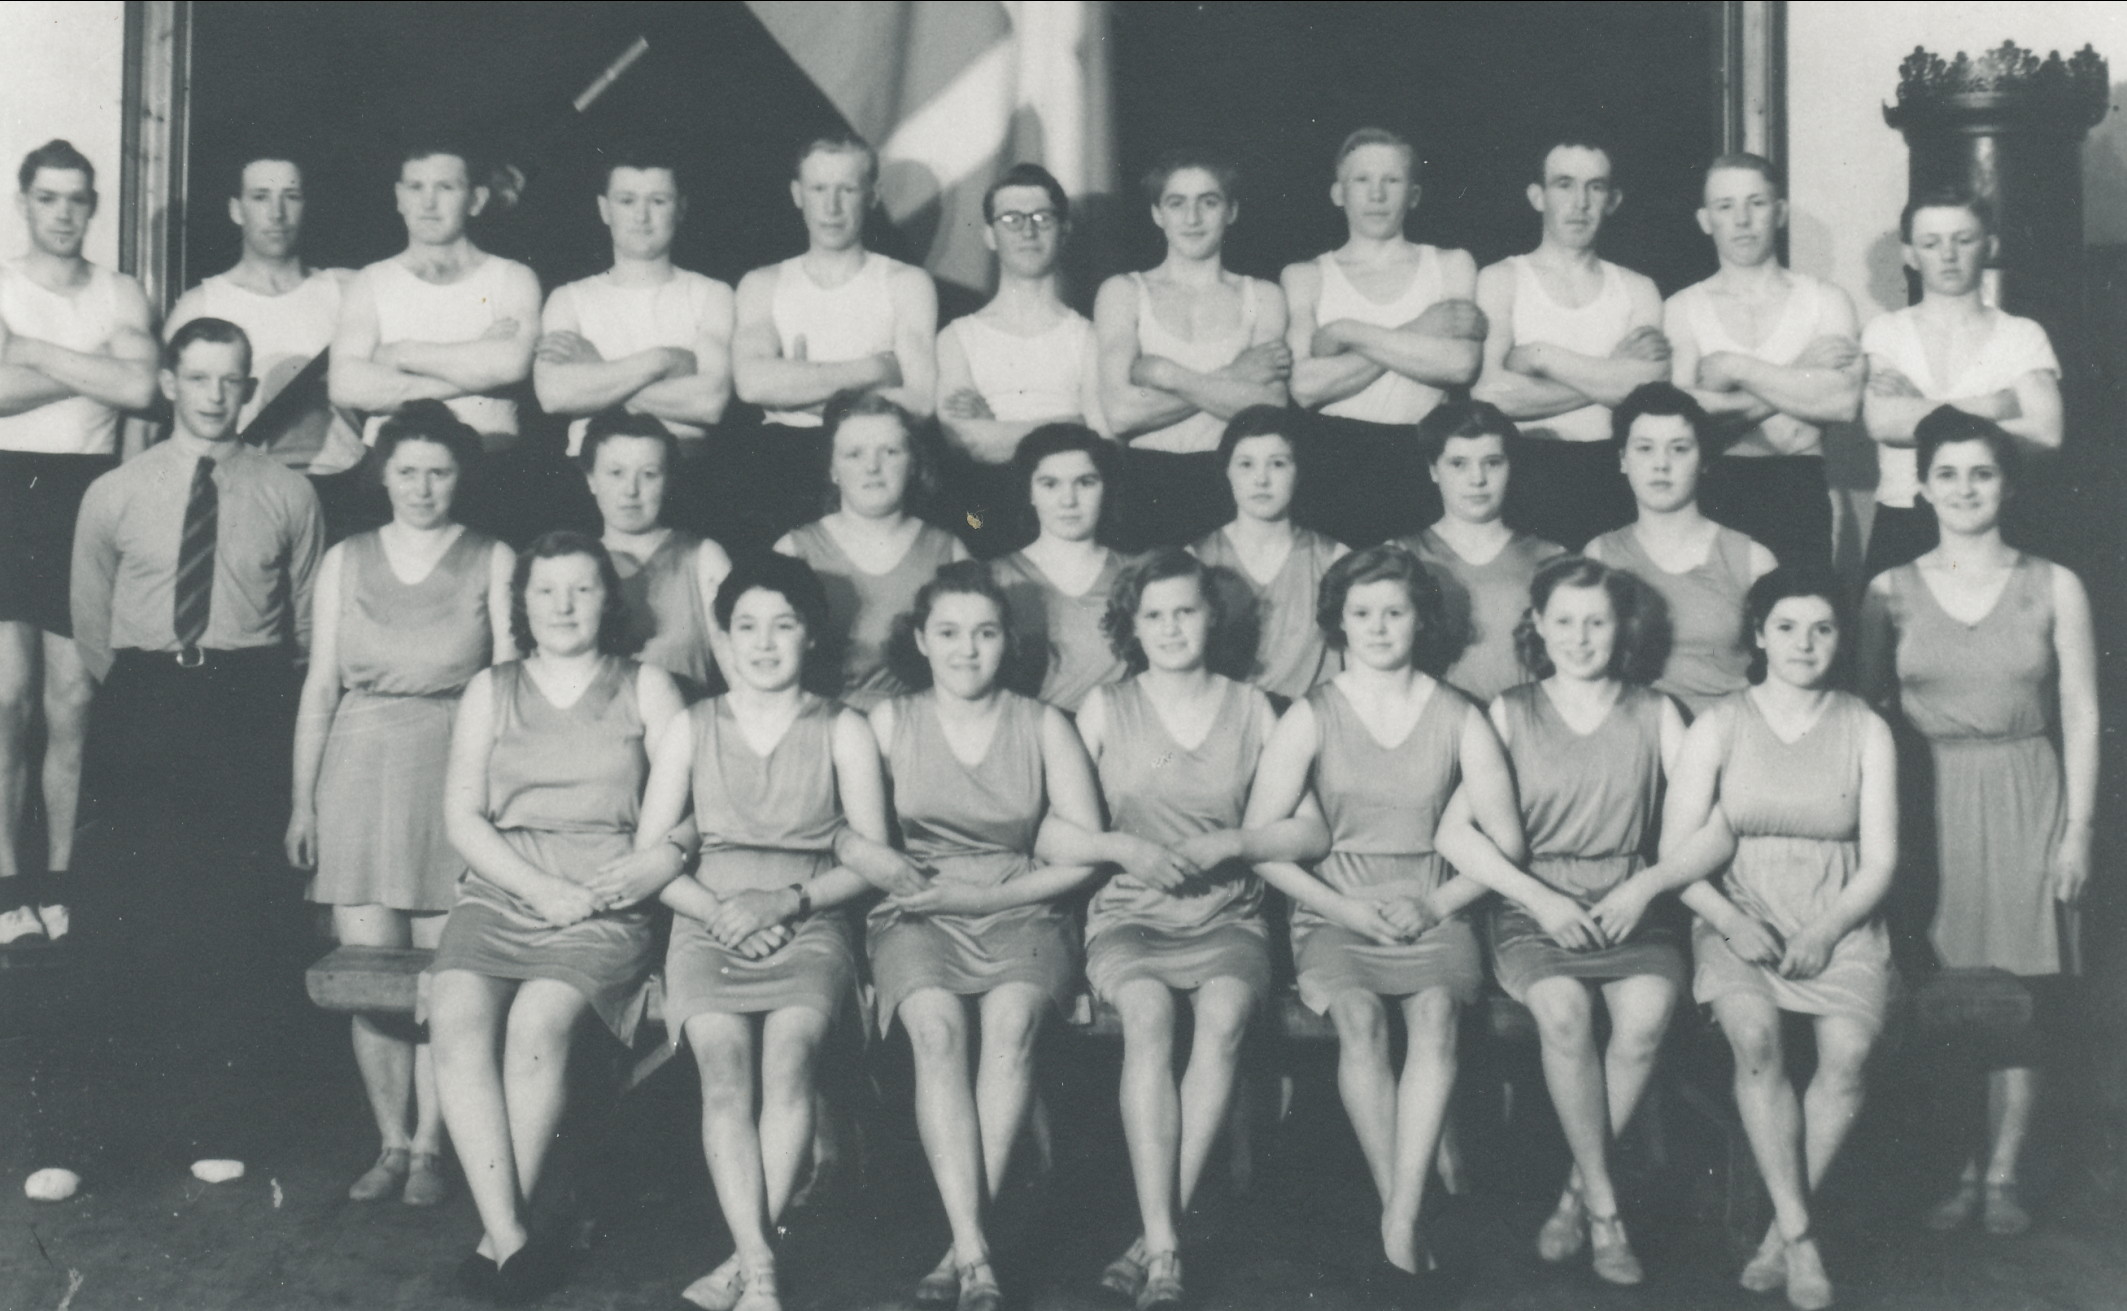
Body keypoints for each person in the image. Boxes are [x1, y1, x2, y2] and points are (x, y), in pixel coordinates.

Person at [70, 317, 324, 1174]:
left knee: (231, 916)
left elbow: (304, 628)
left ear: (249, 389)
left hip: (245, 702)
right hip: (143, 700)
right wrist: (152, 689)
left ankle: (218, 1125)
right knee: (124, 911)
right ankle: (105, 1134)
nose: (216, 395)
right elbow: (92, 623)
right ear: (170, 383)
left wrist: (239, 692)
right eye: (200, 377)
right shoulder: (115, 491)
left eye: (232, 379)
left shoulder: (289, 493)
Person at [1037, 549, 1318, 1311]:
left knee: (1223, 1017)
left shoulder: (1255, 708)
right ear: (1131, 626)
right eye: (1153, 614)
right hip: (1131, 911)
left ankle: (1152, 1242)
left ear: (1210, 617)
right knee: (1148, 1017)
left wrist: (1235, 841)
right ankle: (1163, 1239)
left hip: (1228, 912)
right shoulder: (1105, 707)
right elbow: (1053, 833)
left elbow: (1308, 830)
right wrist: (1119, 847)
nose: (1170, 627)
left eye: (1185, 611)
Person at [1240, 543, 1525, 1285]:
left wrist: (1436, 903)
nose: (1377, 626)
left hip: (1435, 910)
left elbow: (1505, 845)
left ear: (1420, 619)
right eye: (1361, 612)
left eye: (1393, 612)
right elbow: (1261, 846)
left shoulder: (1458, 714)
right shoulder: (1311, 715)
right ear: (1337, 621)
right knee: (1361, 1020)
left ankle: (1399, 1215)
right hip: (1338, 914)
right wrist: (1345, 909)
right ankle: (1404, 1207)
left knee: (1436, 1016)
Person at [427, 531, 689, 1303]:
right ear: (523, 601)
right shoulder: (491, 688)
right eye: (546, 589)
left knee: (537, 1024)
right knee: (455, 1019)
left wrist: (659, 860)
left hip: (606, 897)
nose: (564, 605)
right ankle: (510, 1235)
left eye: (581, 588)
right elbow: (462, 817)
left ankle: (494, 1241)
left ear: (608, 599)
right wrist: (538, 890)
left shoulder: (648, 686)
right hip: (504, 888)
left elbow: (700, 803)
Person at [1858, 410, 2097, 1239]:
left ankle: (2001, 1176)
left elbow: (2082, 710)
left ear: (2007, 484)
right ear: (1921, 486)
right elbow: (1859, 716)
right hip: (1927, 804)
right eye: (1947, 474)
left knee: (2022, 996)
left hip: (2029, 791)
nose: (1964, 489)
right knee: (1948, 993)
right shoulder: (1886, 589)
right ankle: (1959, 1168)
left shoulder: (2054, 583)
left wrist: (2077, 828)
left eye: (1981, 473)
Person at [634, 553, 885, 1311]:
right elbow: (650, 861)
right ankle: (759, 1267)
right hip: (707, 920)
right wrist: (720, 913)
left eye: (783, 624)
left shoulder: (844, 727)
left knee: (790, 1058)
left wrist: (784, 902)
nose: (764, 642)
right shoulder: (692, 725)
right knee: (723, 1071)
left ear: (811, 634)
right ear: (724, 638)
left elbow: (870, 863)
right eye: (747, 626)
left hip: (807, 920)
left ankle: (742, 1269)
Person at [286, 402, 513, 1207]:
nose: (422, 487)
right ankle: (388, 1140)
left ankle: (430, 1147)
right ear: (382, 473)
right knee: (368, 976)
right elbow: (320, 686)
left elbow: (510, 689)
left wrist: (500, 804)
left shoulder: (493, 557)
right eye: (408, 470)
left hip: (454, 770)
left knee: (444, 978)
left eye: (439, 471)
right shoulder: (345, 559)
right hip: (358, 769)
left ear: (461, 477)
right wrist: (302, 803)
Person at [866, 563, 1106, 1311]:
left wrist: (987, 895)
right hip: (919, 908)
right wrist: (901, 876)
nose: (966, 649)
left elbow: (1081, 854)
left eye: (985, 632)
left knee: (1011, 1027)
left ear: (1008, 641)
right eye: (948, 632)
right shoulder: (886, 722)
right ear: (920, 640)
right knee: (936, 1032)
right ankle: (975, 1248)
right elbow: (851, 836)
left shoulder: (1043, 724)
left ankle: (961, 1250)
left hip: (1021, 903)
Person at [1667, 568, 1900, 1311]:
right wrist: (1731, 921)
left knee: (1848, 1056)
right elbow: (1675, 859)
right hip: (1741, 910)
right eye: (1788, 627)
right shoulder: (1718, 724)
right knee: (1756, 1039)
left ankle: (1774, 1235)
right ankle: (1800, 1237)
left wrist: (1827, 929)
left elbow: (1881, 860)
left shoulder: (1866, 726)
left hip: (1838, 915)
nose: (1805, 643)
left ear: (1841, 638)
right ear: (1759, 635)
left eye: (1822, 628)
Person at [1486, 557, 1696, 1284]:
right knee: (1565, 1013)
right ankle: (1607, 1211)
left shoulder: (1656, 711)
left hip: (1627, 901)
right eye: (1565, 621)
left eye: (1596, 622)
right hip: (1536, 906)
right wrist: (1541, 900)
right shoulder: (1508, 711)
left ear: (1622, 628)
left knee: (1645, 1018)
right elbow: (1460, 833)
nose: (1580, 637)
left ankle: (1576, 1193)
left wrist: (1647, 886)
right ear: (1538, 626)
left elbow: (1712, 827)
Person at [0, 140, 158, 945]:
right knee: (5, 699)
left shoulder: (120, 291)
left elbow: (140, 385)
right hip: (5, 489)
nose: (63, 214)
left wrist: (27, 350)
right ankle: (6, 888)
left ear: (93, 206)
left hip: (85, 495)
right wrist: (93, 367)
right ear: (23, 202)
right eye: (48, 198)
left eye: (77, 199)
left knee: (72, 701)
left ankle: (59, 882)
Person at [731, 134, 937, 551]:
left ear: (872, 195)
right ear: (797, 194)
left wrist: (802, 388)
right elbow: (751, 384)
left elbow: (921, 399)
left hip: (877, 463)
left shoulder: (905, 283)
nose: (832, 206)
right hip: (787, 466)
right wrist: (876, 369)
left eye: (847, 190)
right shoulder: (763, 284)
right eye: (819, 189)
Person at [328, 140, 542, 540]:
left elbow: (512, 364)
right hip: (392, 479)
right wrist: (475, 370)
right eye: (416, 187)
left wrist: (401, 354)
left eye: (445, 187)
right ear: (399, 197)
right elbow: (346, 385)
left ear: (476, 200)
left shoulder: (512, 278)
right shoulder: (371, 282)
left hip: (490, 472)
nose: (428, 203)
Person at [1281, 128, 1483, 546]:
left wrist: (1346, 332)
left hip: (1423, 457)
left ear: (1414, 194)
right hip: (1332, 462)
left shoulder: (1450, 264)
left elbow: (1460, 365)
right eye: (1362, 180)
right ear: (1338, 193)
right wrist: (1421, 328)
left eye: (1391, 180)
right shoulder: (1306, 275)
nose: (1376, 195)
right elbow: (1306, 387)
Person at [1665, 154, 1862, 575]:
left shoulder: (1824, 300)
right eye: (1725, 206)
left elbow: (1843, 402)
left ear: (1780, 212)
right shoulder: (1683, 307)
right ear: (1705, 220)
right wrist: (1800, 371)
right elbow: (1686, 420)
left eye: (1756, 203)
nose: (1742, 220)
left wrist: (1736, 369)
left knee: (1803, 612)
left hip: (1799, 485)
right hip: (1711, 485)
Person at [1473, 133, 1667, 551]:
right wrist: (1611, 371)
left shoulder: (1638, 289)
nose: (1580, 202)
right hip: (1526, 474)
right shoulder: (1502, 279)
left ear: (1612, 200)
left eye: (1595, 187)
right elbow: (1491, 395)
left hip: (1614, 477)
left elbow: (1647, 398)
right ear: (1537, 196)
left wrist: (1541, 357)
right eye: (1564, 184)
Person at [164, 152, 370, 536]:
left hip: (340, 489)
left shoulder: (346, 290)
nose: (277, 213)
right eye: (260, 197)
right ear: (236, 209)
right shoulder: (201, 304)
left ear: (305, 205)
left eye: (290, 196)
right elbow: (162, 422)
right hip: (242, 491)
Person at [1094, 153, 1289, 553]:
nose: (1192, 217)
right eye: (1176, 203)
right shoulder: (1124, 292)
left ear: (1231, 211)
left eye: (1209, 202)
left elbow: (1270, 407)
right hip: (1144, 485)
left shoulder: (1261, 296)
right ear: (1157, 213)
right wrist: (1236, 375)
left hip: (1234, 484)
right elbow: (1120, 413)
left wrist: (1166, 375)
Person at [1860, 191, 2061, 578]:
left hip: (1995, 519)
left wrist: (1921, 409)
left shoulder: (2021, 335)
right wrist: (1993, 406)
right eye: (1931, 243)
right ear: (1910, 254)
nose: (1948, 255)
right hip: (1905, 519)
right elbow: (1884, 424)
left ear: (1990, 245)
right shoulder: (1887, 331)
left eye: (1963, 239)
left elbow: (2047, 432)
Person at [534, 146, 734, 536]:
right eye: (627, 201)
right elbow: (555, 395)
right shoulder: (569, 298)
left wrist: (598, 374)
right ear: (604, 209)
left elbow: (709, 402)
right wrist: (663, 360)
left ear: (681, 208)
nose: (641, 216)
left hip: (685, 475)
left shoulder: (712, 294)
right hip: (590, 479)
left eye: (658, 201)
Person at [936, 162, 1105, 557]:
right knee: (969, 521)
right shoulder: (957, 338)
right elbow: (969, 443)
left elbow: (1102, 440)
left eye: (1042, 218)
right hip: (985, 512)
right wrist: (1072, 422)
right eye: (1012, 219)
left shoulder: (1090, 336)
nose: (1028, 231)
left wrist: (998, 428)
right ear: (989, 234)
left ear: (1064, 230)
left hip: (1071, 509)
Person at [1586, 384, 1776, 716]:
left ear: (1703, 460)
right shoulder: (1599, 556)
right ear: (1623, 460)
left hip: (1728, 735)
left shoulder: (1753, 560)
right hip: (1634, 734)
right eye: (1645, 448)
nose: (1661, 464)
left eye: (1679, 448)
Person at [776, 395, 968, 711]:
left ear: (913, 464)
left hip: (919, 723)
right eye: (854, 454)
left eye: (890, 452)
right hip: (820, 722)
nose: (872, 467)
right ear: (833, 470)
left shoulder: (949, 551)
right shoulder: (794, 550)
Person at [1396, 400, 1565, 705]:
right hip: (1435, 724)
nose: (1477, 479)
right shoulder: (1400, 555)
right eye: (1458, 464)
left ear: (1510, 466)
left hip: (1526, 723)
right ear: (1434, 470)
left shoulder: (1552, 557)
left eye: (1492, 462)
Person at [1188, 406, 1346, 705]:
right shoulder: (1196, 559)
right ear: (1227, 471)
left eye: (1277, 464)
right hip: (1227, 721)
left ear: (1298, 472)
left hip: (1310, 721)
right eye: (1246, 464)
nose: (1261, 479)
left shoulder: (1334, 558)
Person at [583, 411, 732, 700]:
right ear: (591, 479)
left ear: (668, 482)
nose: (631, 490)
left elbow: (740, 676)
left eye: (649, 474)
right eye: (616, 473)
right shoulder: (573, 564)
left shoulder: (703, 558)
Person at [988, 422, 1130, 714]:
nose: (1068, 500)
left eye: (1085, 482)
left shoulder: (1137, 573)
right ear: (1030, 491)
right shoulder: (995, 576)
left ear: (1106, 487)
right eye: (1050, 484)